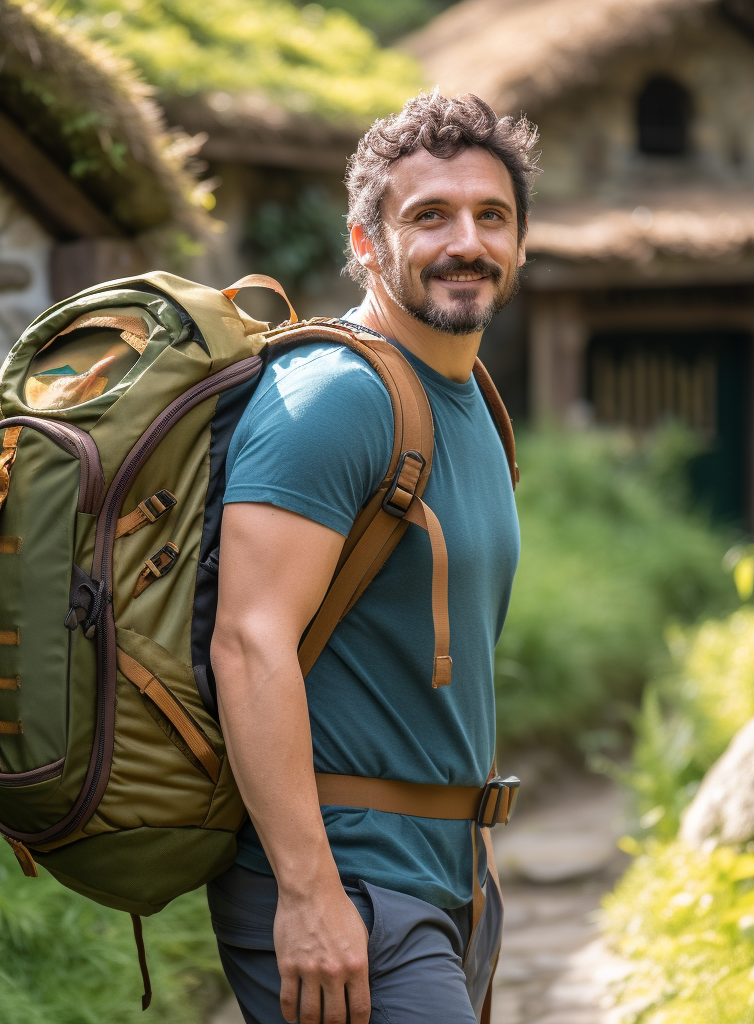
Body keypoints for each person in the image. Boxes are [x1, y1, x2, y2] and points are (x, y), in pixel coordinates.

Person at [208, 92, 540, 1024]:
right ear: (365, 242)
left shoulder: (469, 395)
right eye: (428, 215)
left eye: (491, 216)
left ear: (518, 243)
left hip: (446, 880)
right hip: (348, 882)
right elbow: (248, 641)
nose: (464, 241)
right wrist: (310, 894)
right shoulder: (336, 399)